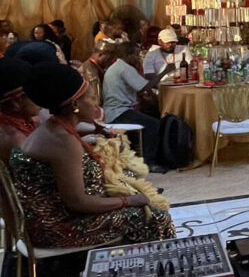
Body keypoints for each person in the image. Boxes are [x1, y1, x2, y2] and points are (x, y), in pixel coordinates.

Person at [10, 63, 174, 248]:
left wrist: (98, 129)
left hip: (53, 218)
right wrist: (127, 201)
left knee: (128, 179)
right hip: (58, 228)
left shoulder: (54, 126)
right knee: (156, 216)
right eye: (92, 98)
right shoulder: (63, 141)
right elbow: (77, 202)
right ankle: (147, 263)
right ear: (75, 104)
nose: (97, 105)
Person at [102, 43, 174, 171]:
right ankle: (149, 162)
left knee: (153, 114)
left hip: (114, 110)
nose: (138, 57)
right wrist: (165, 71)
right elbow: (146, 86)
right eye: (135, 55)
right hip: (119, 112)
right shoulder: (125, 68)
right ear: (128, 55)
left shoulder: (117, 66)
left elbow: (137, 88)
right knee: (153, 124)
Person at [0, 58, 40, 162]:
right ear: (16, 102)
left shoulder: (20, 121)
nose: (41, 96)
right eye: (35, 92)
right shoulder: (18, 141)